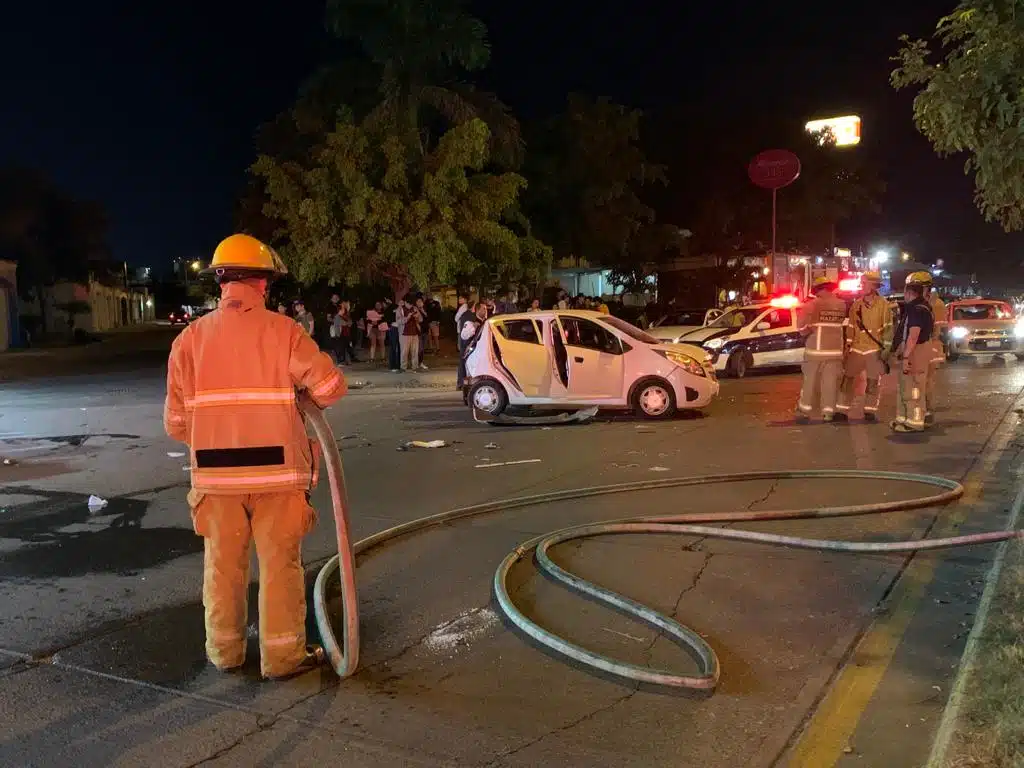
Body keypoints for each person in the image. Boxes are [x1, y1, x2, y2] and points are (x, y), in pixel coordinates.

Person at [163, 233, 347, 680]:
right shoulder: (285, 332)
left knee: (223, 568)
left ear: (220, 282)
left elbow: (176, 424)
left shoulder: (189, 340)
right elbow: (329, 389)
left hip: (216, 485)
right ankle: (282, 658)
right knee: (279, 568)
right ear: (264, 283)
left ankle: (224, 653)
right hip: (279, 479)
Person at [835, 271, 890, 422]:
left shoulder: (884, 305)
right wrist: (848, 346)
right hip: (857, 349)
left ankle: (870, 411)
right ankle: (841, 410)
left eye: (865, 283)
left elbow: (888, 329)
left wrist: (885, 352)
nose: (862, 286)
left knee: (873, 382)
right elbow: (851, 327)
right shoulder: (856, 305)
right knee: (847, 380)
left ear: (873, 286)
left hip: (874, 349)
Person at [796, 276, 847, 422]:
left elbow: (801, 327)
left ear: (819, 289)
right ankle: (828, 412)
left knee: (810, 380)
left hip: (815, 351)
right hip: (835, 351)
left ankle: (804, 410)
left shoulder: (811, 305)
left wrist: (808, 328)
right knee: (830, 382)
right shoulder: (841, 305)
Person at [890, 273, 934, 432]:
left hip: (916, 353)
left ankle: (914, 423)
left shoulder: (917, 310)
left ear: (910, 293)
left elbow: (913, 334)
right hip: (917, 351)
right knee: (905, 386)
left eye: (905, 294)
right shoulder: (921, 307)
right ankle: (903, 418)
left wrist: (906, 356)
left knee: (913, 389)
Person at [921, 273, 947, 423]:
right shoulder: (937, 302)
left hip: (929, 345)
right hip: (932, 346)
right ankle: (925, 408)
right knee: (926, 379)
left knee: (925, 379)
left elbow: (937, 329)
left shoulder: (933, 304)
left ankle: (926, 408)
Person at [458, 301, 490, 401]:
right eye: (483, 309)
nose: (485, 311)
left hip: (483, 354)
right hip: (472, 354)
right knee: (471, 376)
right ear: (477, 310)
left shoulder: (487, 322)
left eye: (486, 309)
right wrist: (474, 327)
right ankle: (467, 397)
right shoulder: (470, 321)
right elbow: (464, 336)